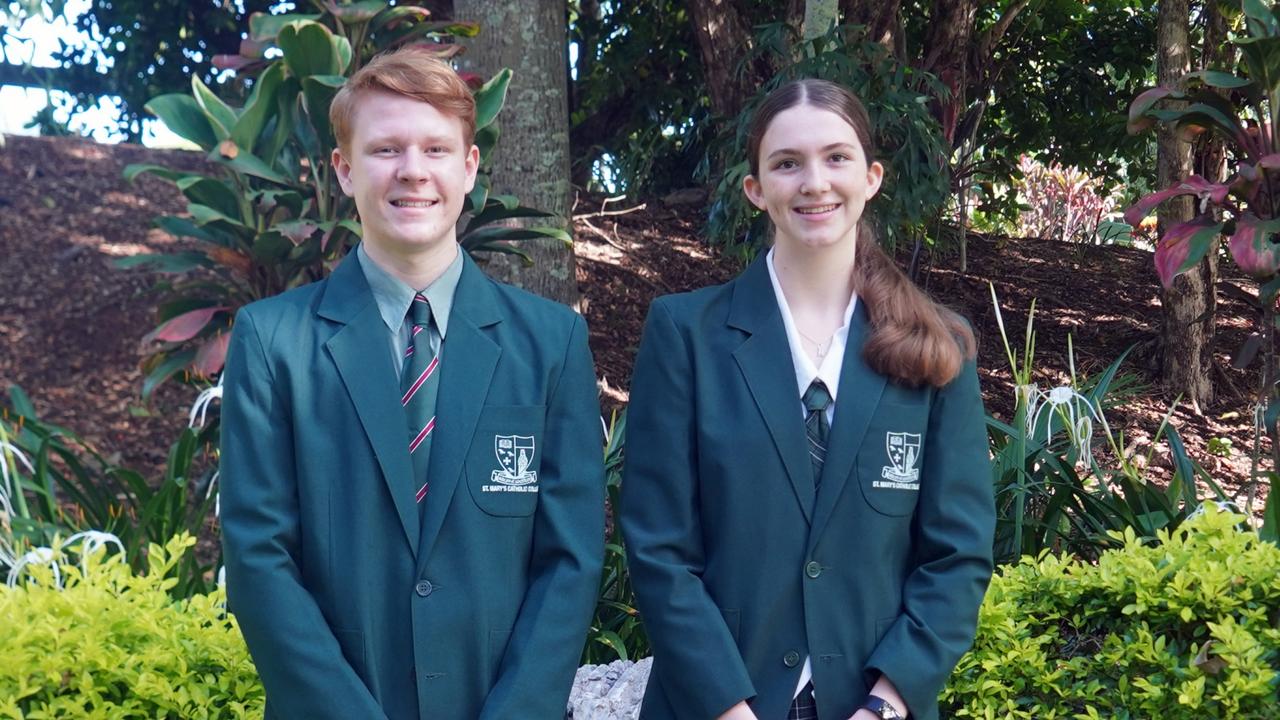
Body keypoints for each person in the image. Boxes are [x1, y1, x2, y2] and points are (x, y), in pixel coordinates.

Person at [220, 48, 605, 719]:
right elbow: (259, 562)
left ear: (469, 166)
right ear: (344, 169)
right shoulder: (271, 342)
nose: (413, 172)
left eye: (435, 148)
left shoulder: (550, 344)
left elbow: (569, 562)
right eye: (386, 149)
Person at [620, 78, 995, 720]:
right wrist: (727, 707)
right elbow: (658, 550)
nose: (814, 182)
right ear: (756, 189)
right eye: (787, 163)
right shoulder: (686, 335)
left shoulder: (939, 348)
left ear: (872, 177)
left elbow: (956, 557)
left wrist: (887, 703)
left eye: (836, 157)